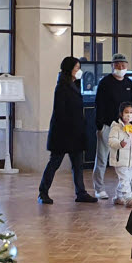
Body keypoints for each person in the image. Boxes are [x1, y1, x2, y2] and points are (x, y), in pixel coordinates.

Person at [39, 56, 97, 204]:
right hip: (63, 134)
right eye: (76, 68)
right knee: (55, 163)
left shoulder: (74, 84)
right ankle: (43, 192)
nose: (79, 71)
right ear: (69, 69)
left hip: (75, 133)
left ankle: (81, 192)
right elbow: (61, 113)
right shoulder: (62, 87)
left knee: (78, 165)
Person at [93, 54, 132, 199]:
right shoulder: (105, 83)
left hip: (124, 126)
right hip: (107, 125)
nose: (121, 68)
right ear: (112, 66)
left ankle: (128, 188)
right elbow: (99, 104)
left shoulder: (129, 83)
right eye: (118, 65)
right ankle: (99, 188)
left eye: (123, 65)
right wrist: (100, 126)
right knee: (102, 158)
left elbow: (130, 104)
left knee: (125, 158)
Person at [107, 102, 132, 207]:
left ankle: (118, 197)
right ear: (121, 114)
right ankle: (129, 198)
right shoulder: (116, 128)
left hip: (131, 159)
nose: (129, 114)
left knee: (126, 178)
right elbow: (111, 141)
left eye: (131, 112)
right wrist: (119, 144)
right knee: (124, 178)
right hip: (120, 159)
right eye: (126, 112)